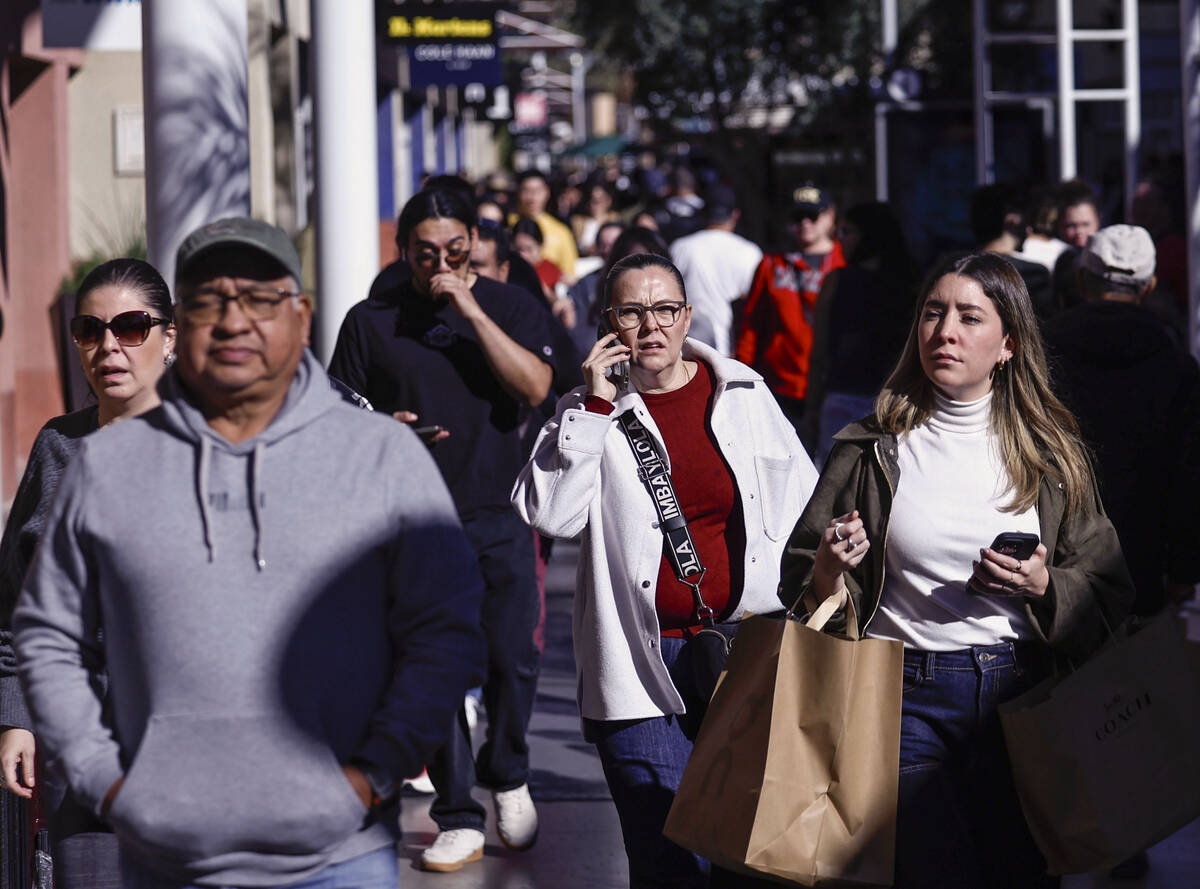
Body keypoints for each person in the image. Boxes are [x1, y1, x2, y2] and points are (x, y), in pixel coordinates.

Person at [13, 217, 486, 888]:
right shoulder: (103, 462)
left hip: (334, 853)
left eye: (260, 300)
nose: (234, 322)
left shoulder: (374, 450)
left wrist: (374, 770)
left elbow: (446, 623)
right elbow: (42, 629)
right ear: (187, 325)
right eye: (209, 301)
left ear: (301, 315)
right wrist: (98, 775)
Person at [779, 251, 1135, 889]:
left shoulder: (1051, 454)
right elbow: (802, 579)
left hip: (1023, 699)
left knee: (1015, 872)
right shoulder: (870, 447)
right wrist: (832, 569)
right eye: (933, 313)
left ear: (1008, 344)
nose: (945, 332)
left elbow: (1110, 590)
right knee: (928, 868)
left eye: (970, 317)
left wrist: (1045, 586)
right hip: (898, 694)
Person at [512, 253, 819, 888]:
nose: (650, 325)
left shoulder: (743, 392)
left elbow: (805, 508)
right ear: (608, 326)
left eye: (664, 309)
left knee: (751, 858)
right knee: (667, 859)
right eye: (631, 311)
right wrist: (594, 410)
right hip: (636, 668)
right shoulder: (585, 414)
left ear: (686, 316)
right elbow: (551, 517)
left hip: (749, 656)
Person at [330, 189, 554, 873]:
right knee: (439, 669)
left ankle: (507, 768)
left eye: (453, 251)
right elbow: (335, 409)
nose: (439, 265)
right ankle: (458, 811)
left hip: (498, 508)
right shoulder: (371, 319)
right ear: (403, 249)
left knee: (514, 655)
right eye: (424, 253)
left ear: (475, 241)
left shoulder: (510, 305)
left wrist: (472, 310)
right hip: (415, 517)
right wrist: (380, 428)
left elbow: (536, 386)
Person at [0, 259, 175, 888]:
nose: (109, 347)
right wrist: (16, 716)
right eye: (90, 330)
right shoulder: (56, 447)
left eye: (131, 328)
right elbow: (17, 602)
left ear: (169, 338)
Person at [1044, 224, 1200, 880]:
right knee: (1125, 705)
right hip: (1137, 558)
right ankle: (1122, 837)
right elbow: (1190, 476)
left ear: (1084, 278)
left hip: (1053, 553)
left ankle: (1049, 831)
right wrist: (1184, 569)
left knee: (1049, 690)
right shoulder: (1175, 364)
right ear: (1151, 285)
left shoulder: (1045, 349)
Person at [807, 201, 918, 464]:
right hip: (895, 400)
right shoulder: (912, 285)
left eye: (847, 232)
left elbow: (819, 352)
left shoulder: (838, 281)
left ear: (870, 234)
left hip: (845, 398)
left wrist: (812, 407)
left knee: (834, 489)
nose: (840, 241)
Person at [736, 184, 846, 436]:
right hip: (780, 386)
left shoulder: (844, 264)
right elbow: (751, 325)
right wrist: (741, 376)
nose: (805, 223)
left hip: (831, 387)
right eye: (798, 216)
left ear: (830, 217)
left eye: (813, 215)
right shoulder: (771, 265)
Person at [670, 184, 763, 356]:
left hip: (687, 349)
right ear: (735, 215)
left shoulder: (681, 247)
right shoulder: (751, 252)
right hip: (735, 351)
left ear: (703, 214)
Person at [968, 183, 1053, 322]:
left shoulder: (954, 269)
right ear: (1012, 221)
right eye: (1027, 221)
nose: (1030, 230)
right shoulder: (1032, 275)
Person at [511, 170, 579, 281]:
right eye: (526, 190)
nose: (532, 197)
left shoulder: (561, 231)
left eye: (537, 190)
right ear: (518, 193)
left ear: (547, 192)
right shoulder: (507, 225)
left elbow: (570, 275)